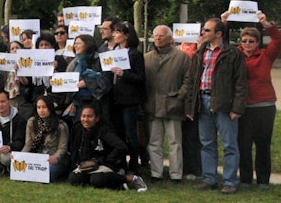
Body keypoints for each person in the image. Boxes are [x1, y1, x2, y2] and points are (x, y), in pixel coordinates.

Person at [186, 17, 248, 193]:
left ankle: (229, 181)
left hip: (224, 104)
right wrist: (190, 106)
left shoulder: (233, 53)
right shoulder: (201, 52)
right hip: (203, 101)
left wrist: (237, 107)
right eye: (203, 30)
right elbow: (192, 81)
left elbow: (241, 83)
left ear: (219, 33)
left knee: (229, 144)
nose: (203, 33)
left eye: (207, 30)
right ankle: (210, 179)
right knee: (207, 143)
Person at [227, 10, 280, 189]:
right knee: (244, 144)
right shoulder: (235, 55)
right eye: (244, 41)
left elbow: (278, 40)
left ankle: (263, 180)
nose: (247, 44)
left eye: (251, 41)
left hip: (264, 106)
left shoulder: (266, 55)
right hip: (243, 106)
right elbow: (222, 43)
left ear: (258, 43)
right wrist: (224, 22)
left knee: (263, 143)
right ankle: (246, 179)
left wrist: (266, 24)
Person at [144, 24, 190, 183]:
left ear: (171, 38)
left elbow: (188, 80)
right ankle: (156, 173)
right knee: (154, 142)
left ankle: (176, 174)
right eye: (155, 35)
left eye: (161, 35)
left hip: (173, 105)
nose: (158, 38)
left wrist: (179, 97)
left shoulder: (182, 57)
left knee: (175, 142)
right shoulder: (147, 57)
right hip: (153, 105)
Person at [105, 21, 145, 172]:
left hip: (129, 99)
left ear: (126, 35)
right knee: (118, 132)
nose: (114, 35)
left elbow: (141, 78)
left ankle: (134, 165)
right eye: (113, 32)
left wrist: (124, 74)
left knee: (130, 133)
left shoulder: (135, 54)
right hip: (115, 98)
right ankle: (119, 163)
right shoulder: (113, 52)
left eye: (117, 32)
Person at [68, 103, 133, 190]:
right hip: (87, 166)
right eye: (83, 116)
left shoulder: (105, 130)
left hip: (106, 164)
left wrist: (105, 159)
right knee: (73, 178)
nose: (85, 119)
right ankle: (97, 180)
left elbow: (121, 147)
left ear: (97, 118)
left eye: (89, 116)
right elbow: (74, 150)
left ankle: (125, 179)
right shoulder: (77, 128)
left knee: (97, 180)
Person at [21, 95, 70, 182]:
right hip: (37, 157)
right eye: (38, 107)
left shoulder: (61, 125)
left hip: (53, 158)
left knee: (48, 173)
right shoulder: (31, 122)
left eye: (44, 107)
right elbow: (28, 144)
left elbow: (62, 148)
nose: (41, 110)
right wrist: (20, 157)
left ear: (50, 108)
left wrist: (55, 157)